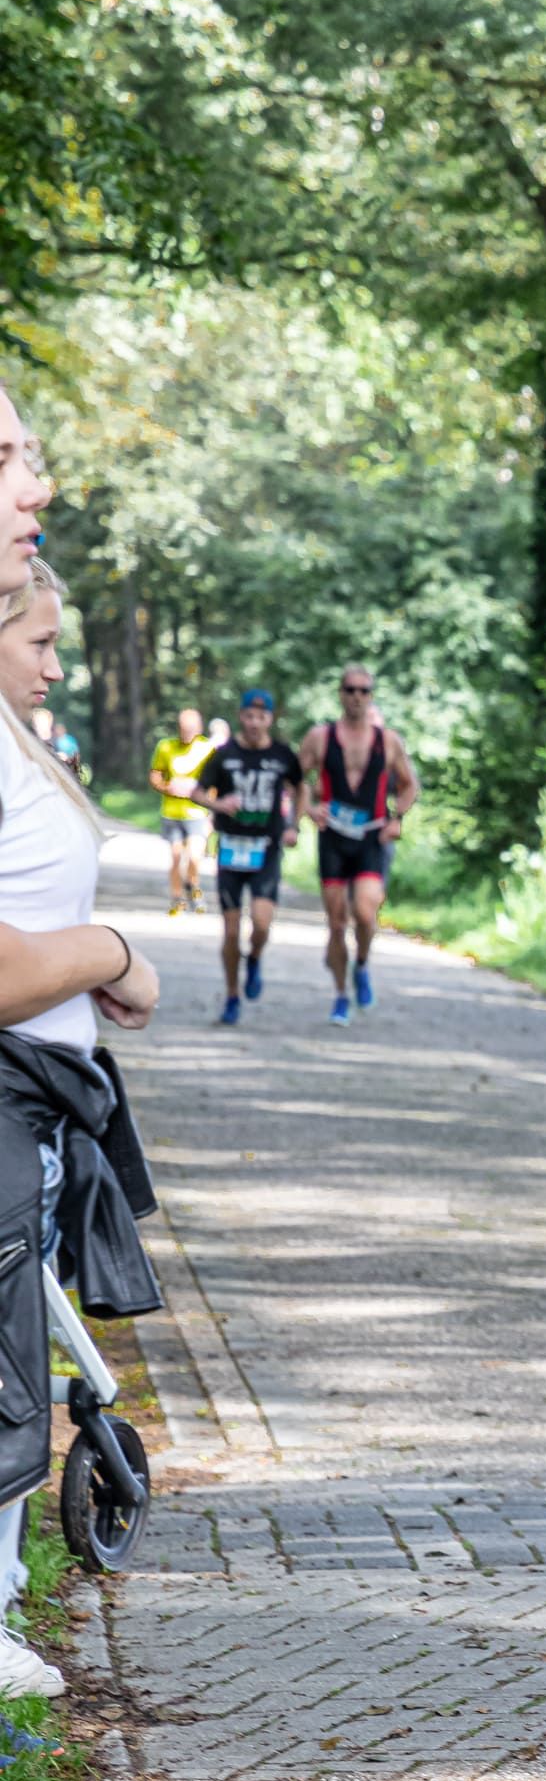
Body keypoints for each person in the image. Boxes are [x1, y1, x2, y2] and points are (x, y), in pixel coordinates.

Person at [0, 542, 160, 1703]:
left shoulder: (21, 741)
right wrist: (112, 952)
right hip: (12, 1082)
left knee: (16, 1345)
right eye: (41, 642)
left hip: (46, 1089)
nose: (59, 665)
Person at [297, 666, 417, 1027]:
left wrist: (397, 818)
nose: (357, 697)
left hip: (370, 835)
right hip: (333, 835)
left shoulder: (388, 741)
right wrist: (307, 808)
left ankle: (361, 964)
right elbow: (294, 778)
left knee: (365, 913)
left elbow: (409, 785)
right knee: (336, 924)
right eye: (350, 690)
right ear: (340, 693)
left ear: (371, 695)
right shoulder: (321, 737)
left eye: (364, 691)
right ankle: (340, 995)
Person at [189, 690, 302, 1026]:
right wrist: (218, 805)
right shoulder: (224, 754)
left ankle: (254, 957)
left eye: (261, 717)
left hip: (266, 849)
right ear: (241, 716)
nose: (255, 723)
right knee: (231, 929)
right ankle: (232, 995)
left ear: (270, 718)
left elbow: (301, 787)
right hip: (231, 848)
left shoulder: (283, 755)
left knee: (262, 924)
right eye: (249, 716)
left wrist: (294, 824)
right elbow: (196, 791)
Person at [147, 709, 213, 917]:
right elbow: (155, 775)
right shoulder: (165, 746)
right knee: (176, 857)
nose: (187, 733)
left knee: (194, 856)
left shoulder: (207, 749)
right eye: (184, 729)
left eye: (191, 729)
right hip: (172, 812)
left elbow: (217, 781)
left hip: (197, 812)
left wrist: (206, 798)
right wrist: (168, 787)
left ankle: (193, 887)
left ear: (199, 729)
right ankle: (177, 899)